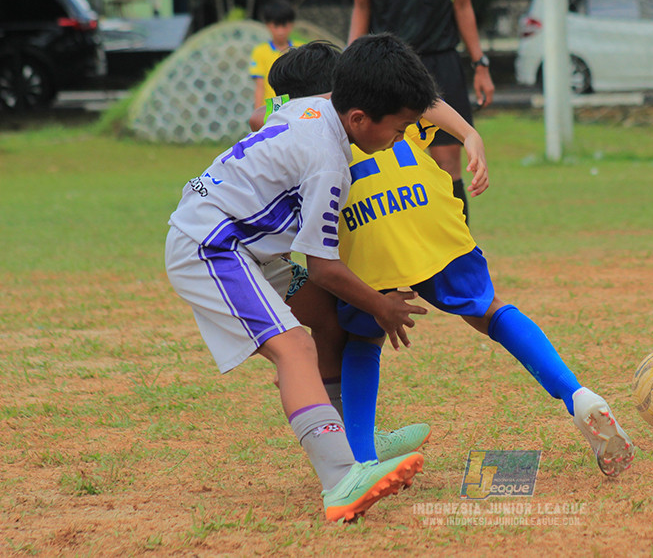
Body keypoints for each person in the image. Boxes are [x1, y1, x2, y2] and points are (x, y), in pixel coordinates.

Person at [256, 56, 635, 479]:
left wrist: (281, 104)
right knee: (489, 310)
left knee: (363, 338)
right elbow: (427, 102)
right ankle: (578, 395)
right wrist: (470, 134)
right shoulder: (382, 105)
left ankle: (361, 459)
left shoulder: (301, 124)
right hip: (428, 212)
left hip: (366, 230)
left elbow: (259, 119)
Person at [165, 34, 456, 524]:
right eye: (400, 127)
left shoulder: (322, 105)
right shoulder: (327, 161)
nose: (403, 136)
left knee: (328, 319)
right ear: (359, 118)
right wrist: (381, 306)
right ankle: (341, 479)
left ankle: (349, 439)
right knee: (294, 347)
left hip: (245, 241)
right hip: (211, 244)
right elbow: (324, 267)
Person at [346, 0, 495, 220]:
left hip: (440, 62)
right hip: (388, 67)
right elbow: (361, 8)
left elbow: (463, 5)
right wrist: (348, 64)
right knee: (388, 162)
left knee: (449, 164)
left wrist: (480, 64)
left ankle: (457, 251)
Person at [249, 0, 296, 110]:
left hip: (294, 106)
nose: (280, 31)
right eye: (276, 26)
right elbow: (259, 86)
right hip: (271, 108)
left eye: (284, 25)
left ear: (291, 25)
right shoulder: (260, 51)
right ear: (268, 25)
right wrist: (257, 112)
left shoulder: (300, 50)